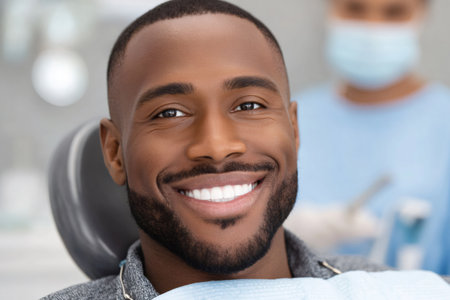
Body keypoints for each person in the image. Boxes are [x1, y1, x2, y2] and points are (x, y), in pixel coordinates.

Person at [42, 1, 450, 299]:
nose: (218, 148)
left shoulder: (397, 290)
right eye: (169, 112)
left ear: (293, 128)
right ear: (114, 153)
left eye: (249, 105)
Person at [285, 0, 450, 274]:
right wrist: (282, 234)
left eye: (394, 12)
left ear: (422, 15)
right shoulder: (289, 117)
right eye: (355, 8)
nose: (372, 27)